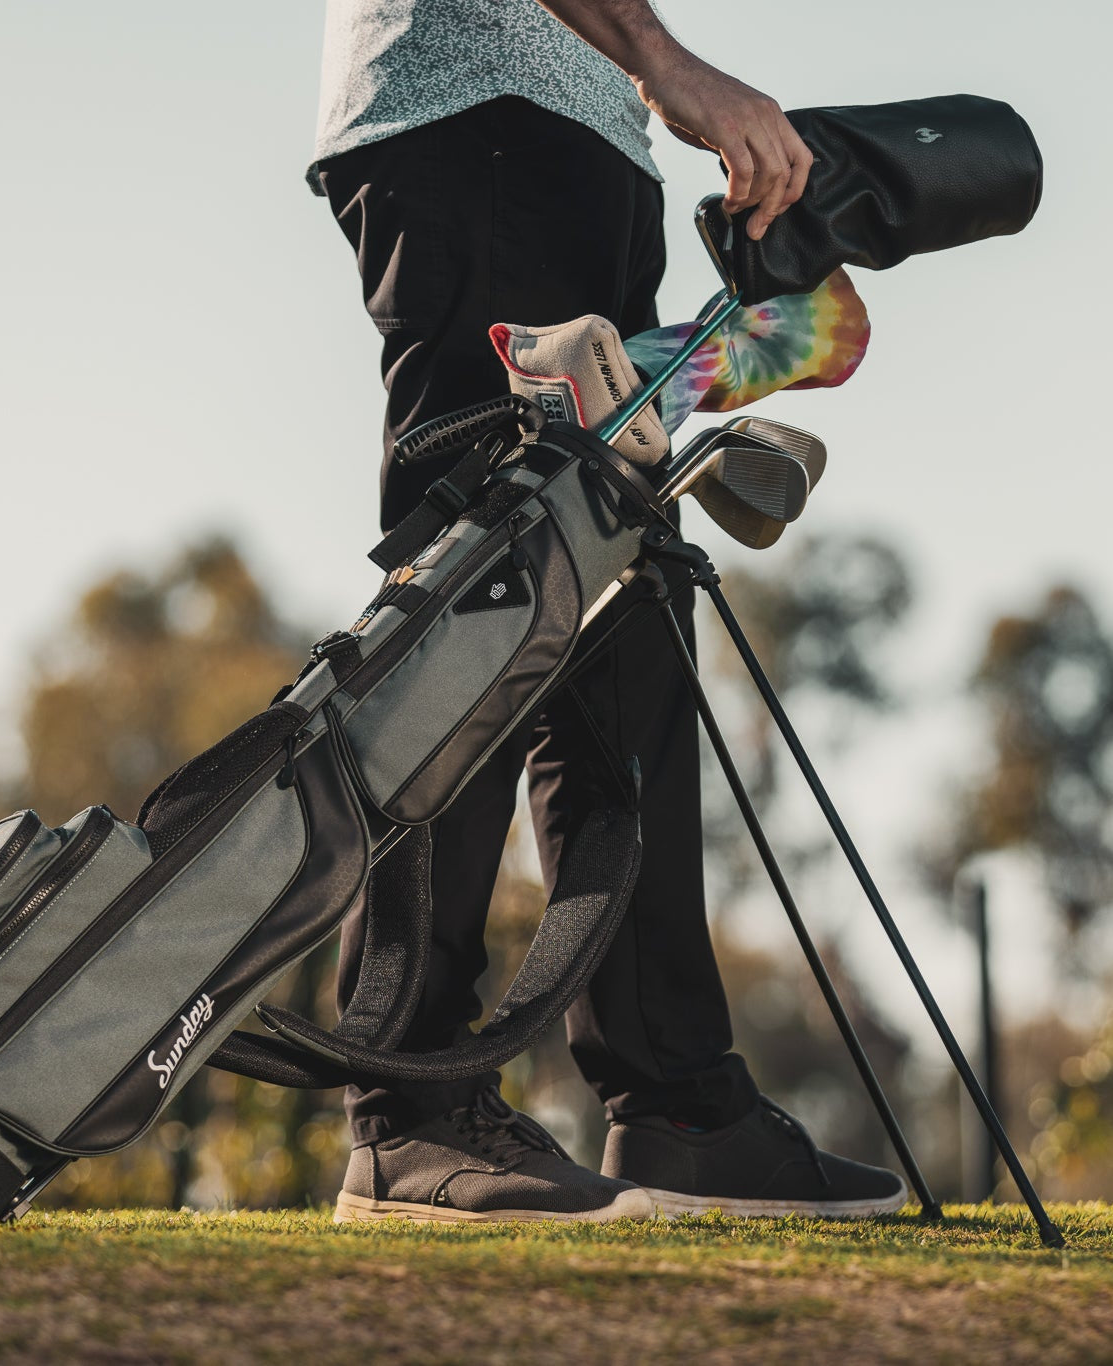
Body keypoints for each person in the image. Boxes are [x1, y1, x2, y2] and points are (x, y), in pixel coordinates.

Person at [309, 0, 907, 1224]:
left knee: (621, 637)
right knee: (471, 618)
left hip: (578, 147)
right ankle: (405, 1114)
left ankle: (678, 1106)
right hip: (471, 121)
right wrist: (668, 63)